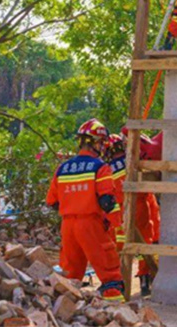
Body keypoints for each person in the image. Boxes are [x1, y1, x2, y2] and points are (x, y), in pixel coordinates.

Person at [46, 119, 124, 301]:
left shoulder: (63, 168)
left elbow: (52, 202)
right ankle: (117, 312)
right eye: (101, 143)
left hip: (67, 227)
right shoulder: (100, 168)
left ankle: (66, 311)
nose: (103, 147)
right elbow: (107, 202)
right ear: (95, 143)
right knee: (108, 269)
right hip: (90, 224)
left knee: (69, 275)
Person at [107, 130, 163, 297]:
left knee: (120, 247)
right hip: (140, 205)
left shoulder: (106, 169)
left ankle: (118, 282)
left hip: (118, 212)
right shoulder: (134, 161)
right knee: (146, 243)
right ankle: (145, 279)